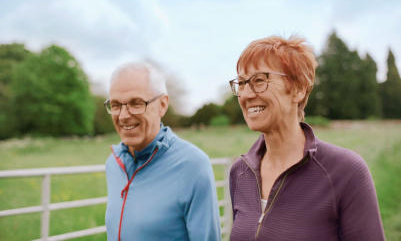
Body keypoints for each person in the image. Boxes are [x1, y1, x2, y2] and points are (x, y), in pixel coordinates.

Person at [228, 36, 385, 240]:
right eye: (241, 83)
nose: (246, 94)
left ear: (299, 89)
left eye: (259, 80)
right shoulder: (239, 173)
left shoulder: (347, 172)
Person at [104, 62, 221, 241]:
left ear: (163, 105)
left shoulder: (193, 166)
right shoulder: (113, 164)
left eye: (136, 103)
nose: (123, 115)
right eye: (116, 105)